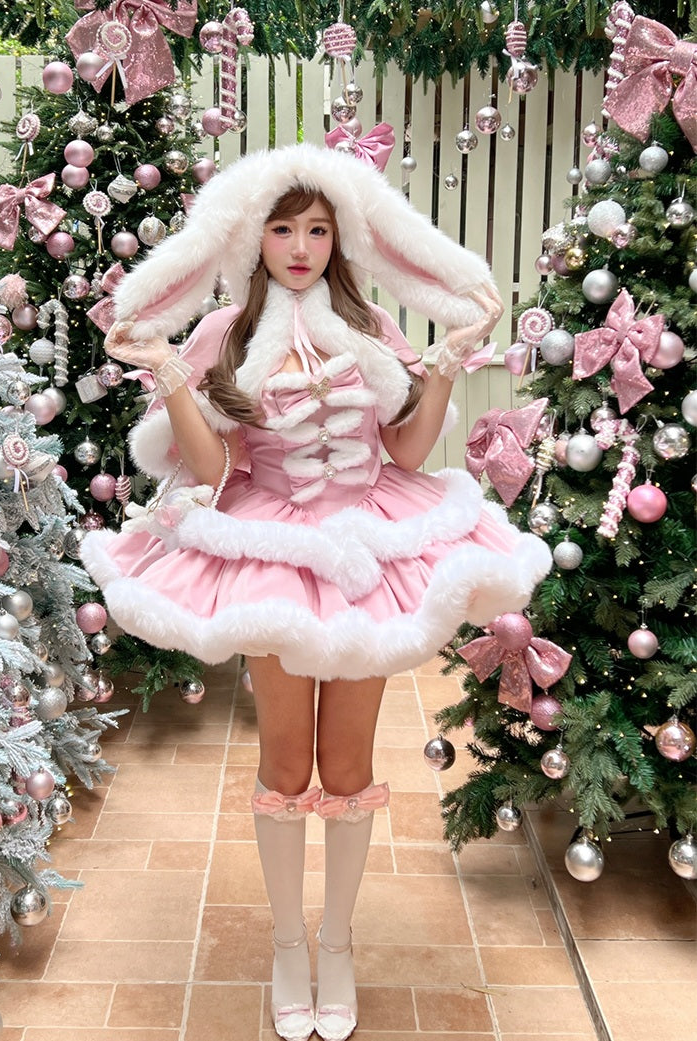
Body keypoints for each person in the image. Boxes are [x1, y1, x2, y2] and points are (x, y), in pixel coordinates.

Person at [81, 143, 551, 1041]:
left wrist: (448, 358)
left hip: (368, 540)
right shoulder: (222, 333)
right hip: (272, 545)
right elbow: (215, 467)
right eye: (283, 228)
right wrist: (171, 372)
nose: (300, 246)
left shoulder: (373, 324)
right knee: (285, 766)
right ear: (253, 236)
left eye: (318, 229)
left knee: (348, 769)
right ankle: (288, 943)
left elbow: (408, 453)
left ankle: (336, 941)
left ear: (341, 237)